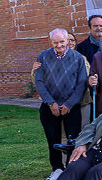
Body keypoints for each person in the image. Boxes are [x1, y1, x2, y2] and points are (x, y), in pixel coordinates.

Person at [34, 29, 89, 170]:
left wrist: (69, 104)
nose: (59, 45)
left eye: (62, 42)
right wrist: (51, 103)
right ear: (51, 42)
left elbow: (82, 83)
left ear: (67, 41)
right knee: (53, 140)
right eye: (55, 42)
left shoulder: (78, 58)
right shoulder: (43, 56)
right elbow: (39, 81)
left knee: (72, 140)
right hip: (49, 106)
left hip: (71, 106)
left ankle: (71, 169)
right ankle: (57, 169)